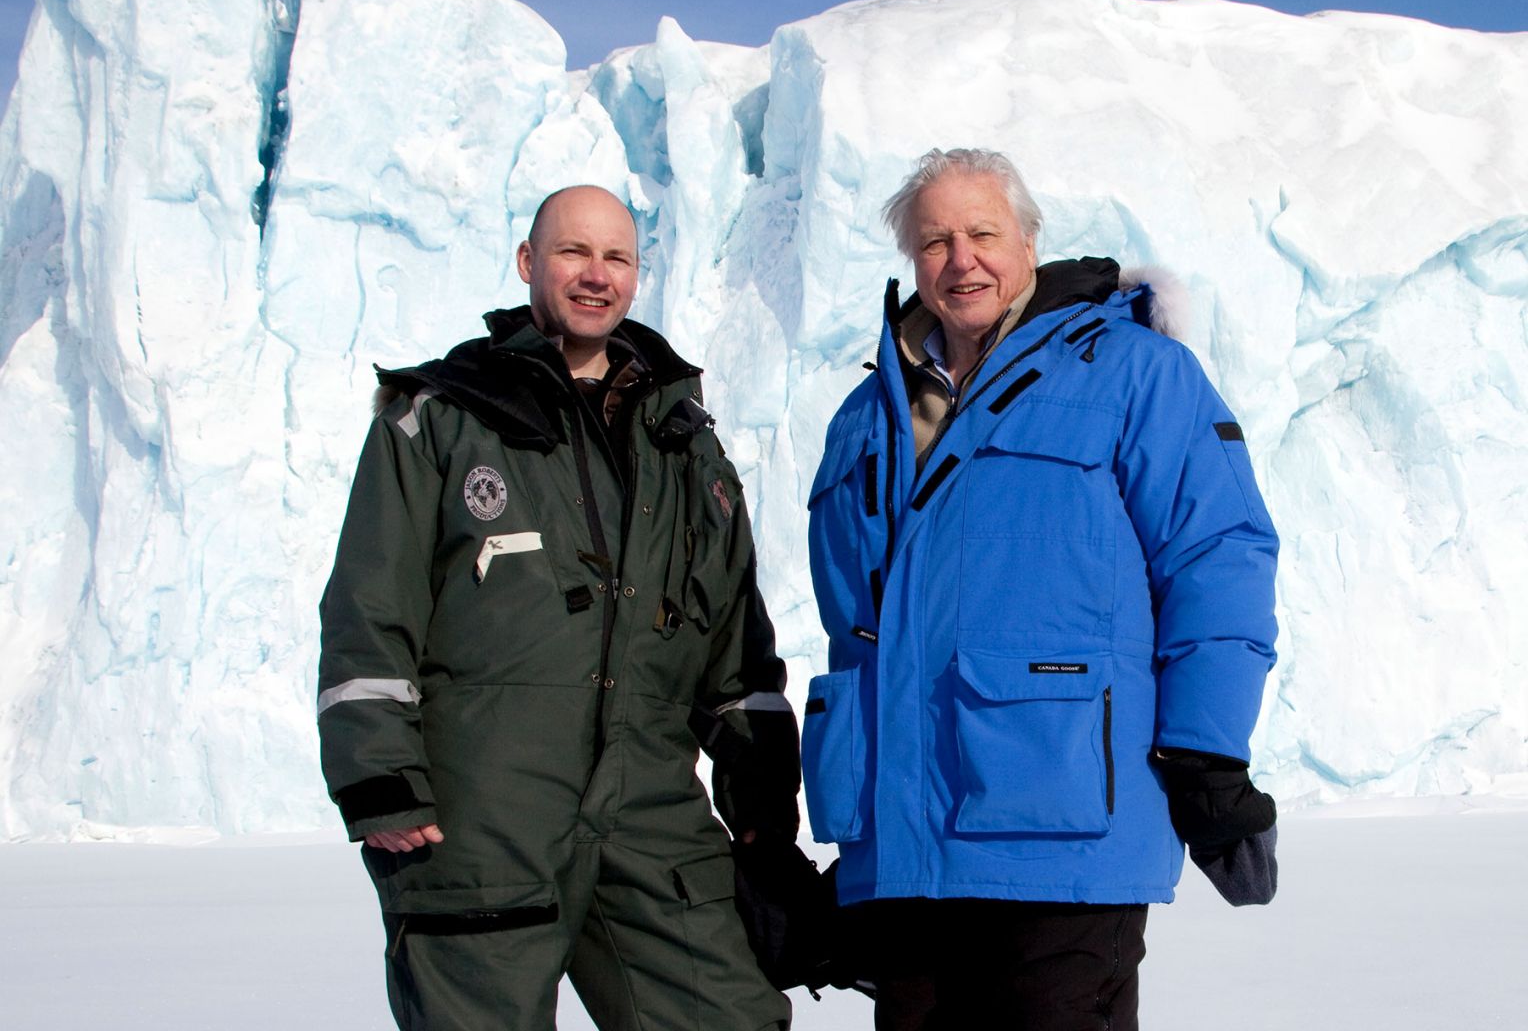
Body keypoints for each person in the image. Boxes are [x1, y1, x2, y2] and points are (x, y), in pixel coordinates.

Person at [803, 149, 1280, 1030]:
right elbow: (859, 632)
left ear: (1028, 241)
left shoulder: (1135, 373)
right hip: (911, 856)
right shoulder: (864, 414)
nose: (962, 258)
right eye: (936, 240)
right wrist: (867, 821)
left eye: (983, 232)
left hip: (1062, 830)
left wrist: (1207, 753)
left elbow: (1218, 557)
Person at [317, 185, 798, 1031]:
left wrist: (759, 800)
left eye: (617, 257)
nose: (595, 275)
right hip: (484, 815)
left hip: (649, 810)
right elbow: (370, 606)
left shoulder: (685, 441)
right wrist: (381, 781)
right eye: (574, 253)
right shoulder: (439, 418)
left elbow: (734, 647)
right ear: (529, 263)